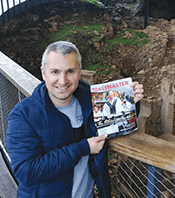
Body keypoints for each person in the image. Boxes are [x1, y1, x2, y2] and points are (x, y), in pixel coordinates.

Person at [6, 41, 144, 198]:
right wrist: (82, 148)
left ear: (79, 72)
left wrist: (131, 102)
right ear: (43, 73)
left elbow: (113, 126)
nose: (63, 81)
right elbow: (26, 172)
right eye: (55, 72)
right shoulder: (23, 115)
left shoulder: (91, 100)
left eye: (70, 71)